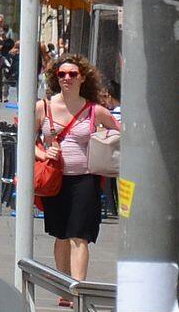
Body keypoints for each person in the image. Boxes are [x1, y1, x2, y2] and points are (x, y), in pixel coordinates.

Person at [32, 53, 119, 283]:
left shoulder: (95, 110)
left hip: (85, 180)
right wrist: (42, 152)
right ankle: (63, 283)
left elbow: (120, 133)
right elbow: (27, 141)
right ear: (56, 78)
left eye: (73, 74)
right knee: (61, 235)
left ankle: (77, 288)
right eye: (62, 74)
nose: (67, 78)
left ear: (83, 78)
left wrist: (104, 142)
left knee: (79, 236)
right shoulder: (43, 107)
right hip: (55, 179)